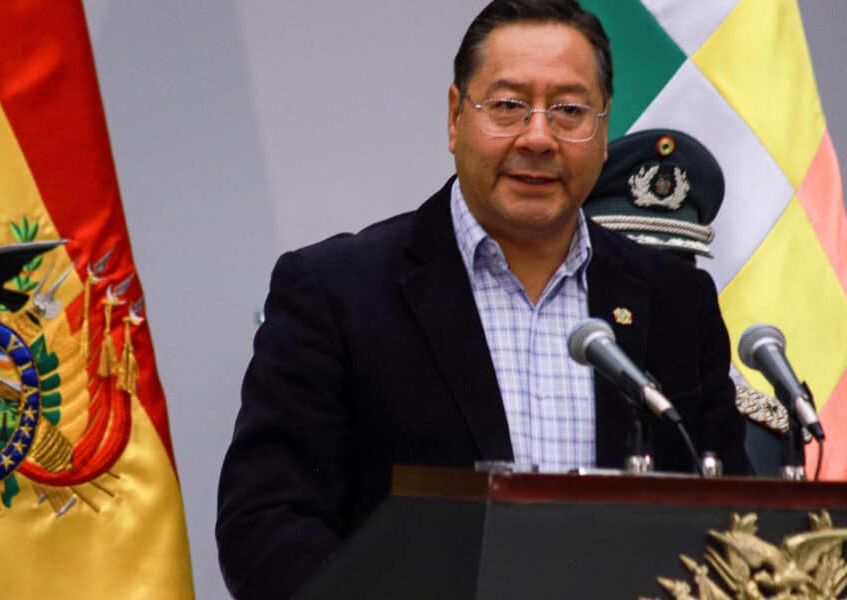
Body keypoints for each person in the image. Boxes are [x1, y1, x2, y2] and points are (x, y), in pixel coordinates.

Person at [217, 2, 751, 598]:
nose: (539, 137)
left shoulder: (676, 299)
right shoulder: (337, 291)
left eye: (570, 111)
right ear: (454, 117)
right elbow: (264, 525)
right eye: (507, 106)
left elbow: (736, 522)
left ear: (602, 133)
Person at [583, 127, 790, 476]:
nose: (653, 280)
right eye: (631, 261)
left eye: (674, 264)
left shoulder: (691, 323)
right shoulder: (577, 334)